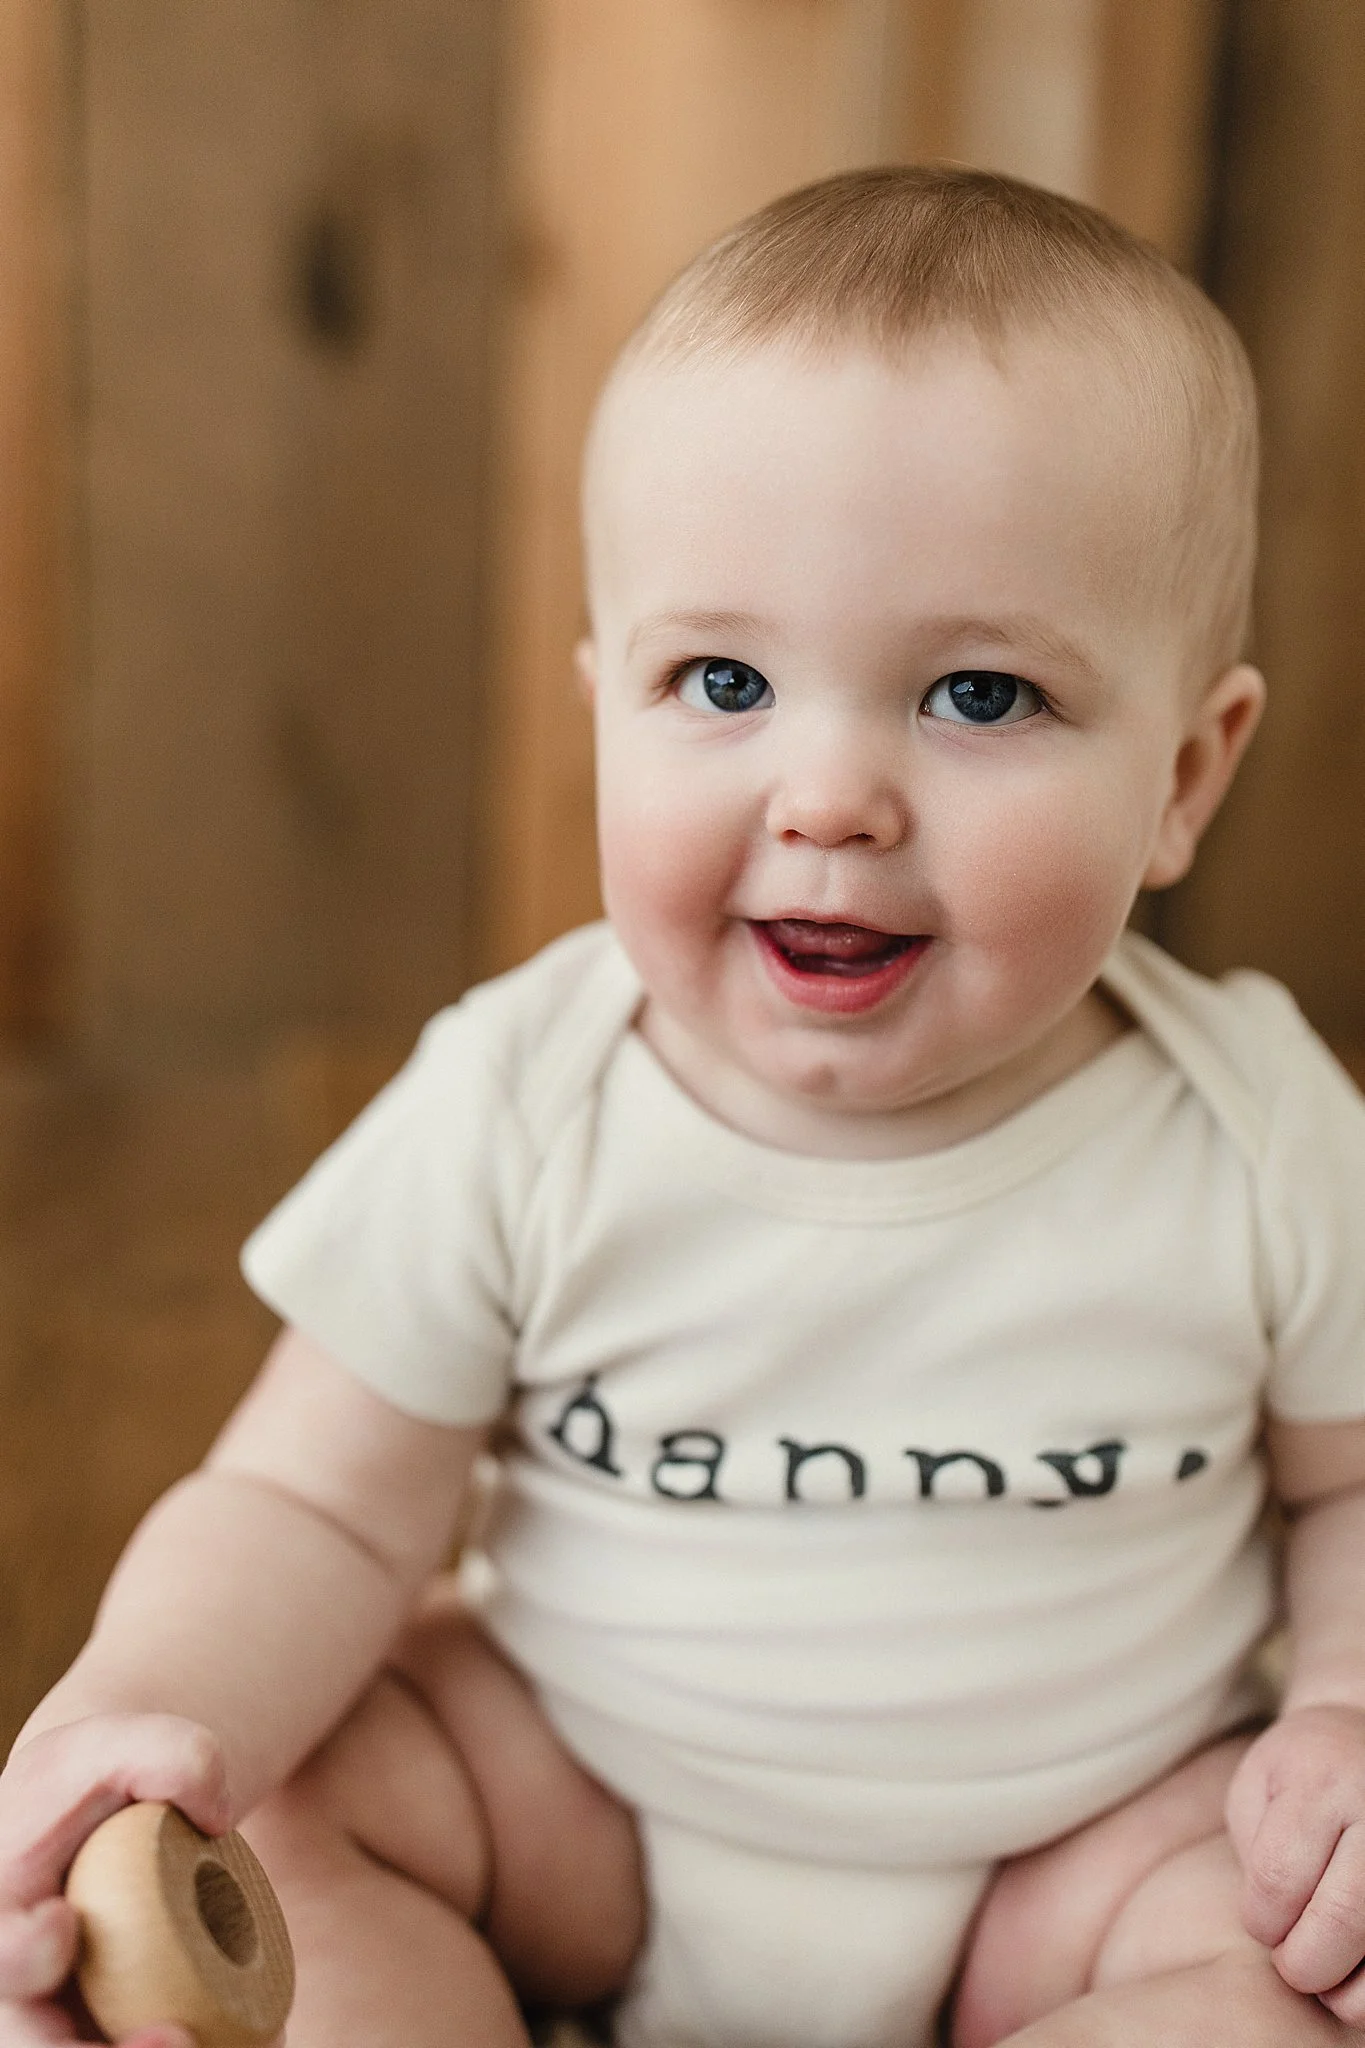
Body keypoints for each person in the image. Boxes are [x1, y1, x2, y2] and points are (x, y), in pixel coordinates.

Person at [4, 165, 1365, 2048]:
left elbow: (1354, 1485)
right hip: (577, 1803)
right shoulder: (521, 1099)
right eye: (720, 679)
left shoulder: (1257, 1132)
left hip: (1077, 1862)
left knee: (1275, 1969)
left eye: (978, 696)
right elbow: (310, 1505)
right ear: (605, 707)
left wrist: (1347, 1718)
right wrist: (144, 1716)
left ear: (1184, 779)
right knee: (302, 1811)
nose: (830, 796)